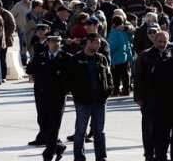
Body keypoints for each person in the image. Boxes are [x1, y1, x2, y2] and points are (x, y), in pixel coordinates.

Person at [68, 33, 113, 161]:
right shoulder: (76, 59)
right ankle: (79, 157)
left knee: (99, 131)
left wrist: (108, 90)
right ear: (88, 42)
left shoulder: (101, 58)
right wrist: (77, 95)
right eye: (97, 42)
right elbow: (70, 79)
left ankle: (101, 156)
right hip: (83, 101)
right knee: (80, 131)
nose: (99, 45)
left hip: (100, 101)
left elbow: (108, 76)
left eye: (99, 43)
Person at [26, 34, 70, 161]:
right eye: (52, 41)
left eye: (58, 41)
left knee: (54, 124)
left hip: (58, 96)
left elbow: (71, 75)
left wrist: (66, 89)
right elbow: (29, 70)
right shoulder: (40, 56)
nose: (55, 44)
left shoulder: (66, 58)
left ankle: (48, 154)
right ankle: (58, 146)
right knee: (43, 123)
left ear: (61, 43)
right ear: (48, 43)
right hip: (41, 94)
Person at [134, 31, 171, 161]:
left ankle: (162, 154)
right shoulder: (145, 56)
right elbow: (137, 78)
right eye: (159, 41)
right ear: (154, 41)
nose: (162, 44)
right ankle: (149, 154)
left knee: (164, 130)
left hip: (166, 100)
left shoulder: (170, 54)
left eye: (164, 42)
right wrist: (138, 98)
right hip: (149, 99)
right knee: (149, 130)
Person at [107, 15, 134, 96]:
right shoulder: (125, 31)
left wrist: (109, 52)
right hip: (125, 56)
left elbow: (113, 45)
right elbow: (130, 40)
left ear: (113, 23)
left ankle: (116, 90)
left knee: (116, 75)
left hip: (116, 57)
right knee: (125, 74)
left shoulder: (114, 33)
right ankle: (126, 89)